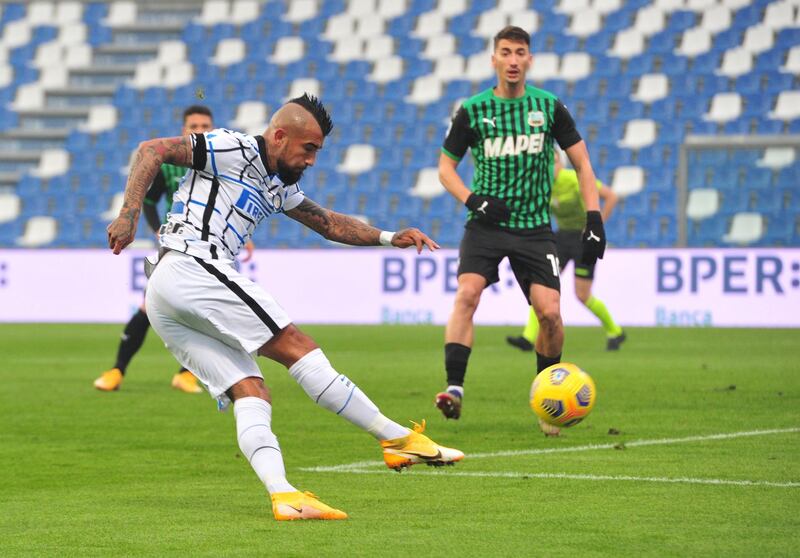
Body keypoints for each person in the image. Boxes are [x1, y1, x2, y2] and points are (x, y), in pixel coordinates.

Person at [106, 94, 464, 521]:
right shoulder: (230, 147)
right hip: (192, 265)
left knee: (251, 390)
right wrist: (128, 213)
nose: (312, 160)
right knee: (295, 345)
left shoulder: (278, 184)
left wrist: (388, 237)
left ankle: (285, 496)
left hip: (167, 291)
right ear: (278, 136)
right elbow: (152, 150)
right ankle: (396, 437)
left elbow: (328, 223)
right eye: (308, 148)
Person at [434, 26, 606, 436]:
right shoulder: (473, 110)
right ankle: (453, 388)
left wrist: (594, 219)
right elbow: (445, 169)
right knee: (467, 293)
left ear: (530, 60)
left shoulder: (548, 107)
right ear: (493, 59)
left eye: (520, 53)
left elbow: (582, 164)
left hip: (534, 230)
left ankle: (549, 403)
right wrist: (474, 200)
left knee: (550, 314)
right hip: (486, 225)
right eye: (505, 52)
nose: (513, 60)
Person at [94, 105, 255, 393]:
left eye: (206, 125)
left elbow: (236, 205)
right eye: (194, 126)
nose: (201, 130)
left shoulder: (225, 164)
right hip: (177, 246)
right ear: (184, 130)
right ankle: (117, 370)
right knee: (149, 306)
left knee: (208, 313)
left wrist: (244, 235)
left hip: (215, 249)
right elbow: (150, 199)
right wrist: (156, 228)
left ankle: (186, 374)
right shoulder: (171, 164)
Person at [506, 150, 625, 352]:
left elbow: (611, 196)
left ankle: (615, 331)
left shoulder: (573, 178)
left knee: (582, 295)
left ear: (560, 162)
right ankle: (528, 337)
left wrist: (597, 225)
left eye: (551, 161)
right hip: (561, 238)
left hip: (583, 239)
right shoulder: (540, 185)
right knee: (540, 284)